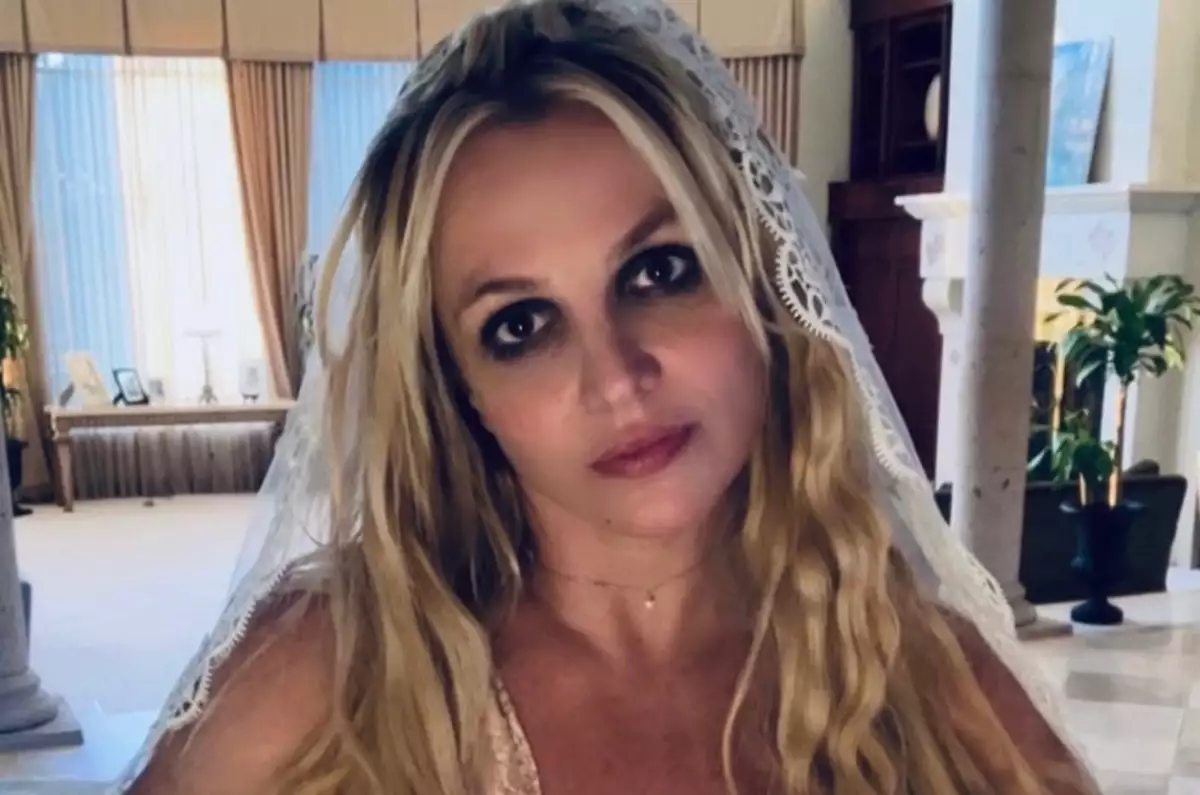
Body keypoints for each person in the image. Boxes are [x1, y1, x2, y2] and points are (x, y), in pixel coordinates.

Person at [115, 1, 1097, 793]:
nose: (617, 379)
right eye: (520, 325)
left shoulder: (926, 682)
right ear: (459, 388)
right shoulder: (332, 676)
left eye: (658, 271)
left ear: (763, 284)